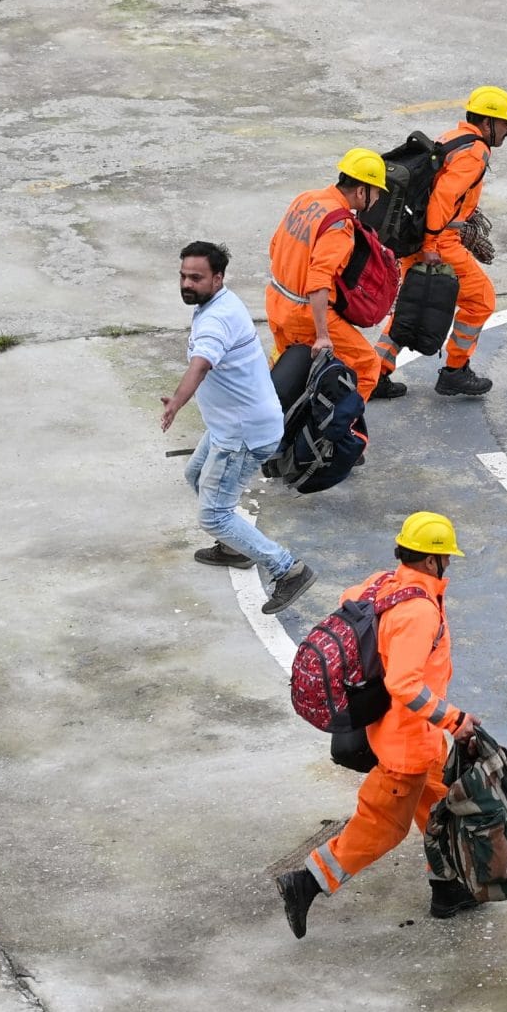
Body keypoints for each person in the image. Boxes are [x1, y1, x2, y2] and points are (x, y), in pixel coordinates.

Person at [278, 512, 484, 934]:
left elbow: (351, 605)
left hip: (412, 735)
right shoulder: (419, 611)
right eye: (446, 556)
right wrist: (456, 720)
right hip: (407, 744)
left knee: (442, 808)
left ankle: (448, 888)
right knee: (383, 826)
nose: (449, 563)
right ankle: (307, 882)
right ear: (432, 560)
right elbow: (405, 685)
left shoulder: (382, 584)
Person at [163, 240, 315, 614]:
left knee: (213, 514)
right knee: (196, 475)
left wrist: (177, 402)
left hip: (242, 435)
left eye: (196, 278)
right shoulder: (217, 304)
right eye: (183, 276)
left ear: (218, 278)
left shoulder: (216, 319)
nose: (187, 284)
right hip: (229, 424)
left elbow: (201, 364)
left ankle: (288, 569)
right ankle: (235, 547)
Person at [372, 86, 507, 402]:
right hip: (438, 243)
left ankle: (375, 372)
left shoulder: (453, 137)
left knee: (410, 306)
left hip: (416, 238)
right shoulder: (475, 152)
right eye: (504, 122)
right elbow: (443, 197)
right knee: (481, 300)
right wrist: (434, 244)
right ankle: (455, 371)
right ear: (488, 122)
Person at [266, 149, 389, 403]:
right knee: (367, 365)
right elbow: (318, 281)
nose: (377, 198)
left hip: (276, 302)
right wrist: (322, 335)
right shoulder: (339, 224)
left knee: (285, 367)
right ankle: (343, 425)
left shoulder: (306, 199)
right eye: (377, 191)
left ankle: (270, 419)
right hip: (305, 314)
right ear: (361, 191)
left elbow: (274, 247)